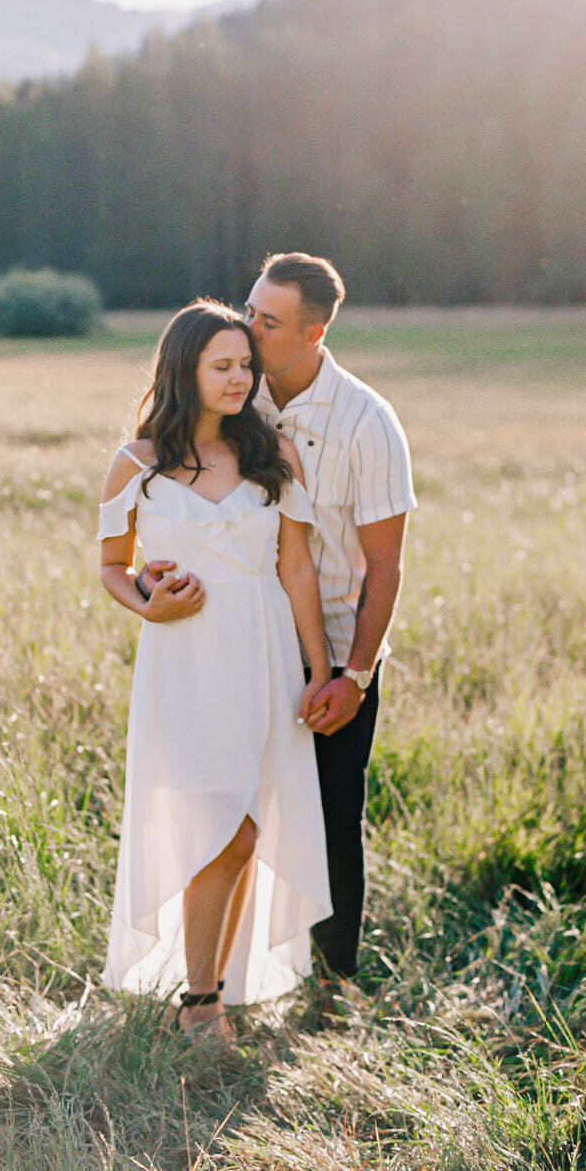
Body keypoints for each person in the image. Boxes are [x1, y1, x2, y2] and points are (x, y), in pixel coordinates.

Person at [142, 253, 416, 993]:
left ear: (313, 332)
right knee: (227, 813)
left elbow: (384, 570)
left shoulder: (368, 421)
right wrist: (147, 579)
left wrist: (352, 676)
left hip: (334, 653)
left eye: (267, 321)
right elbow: (170, 497)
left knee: (326, 823)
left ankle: (330, 988)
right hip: (239, 645)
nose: (248, 327)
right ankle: (216, 981)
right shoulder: (236, 392)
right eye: (250, 308)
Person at [97, 299, 334, 1038]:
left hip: (264, 654)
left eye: (245, 365)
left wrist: (324, 673)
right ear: (185, 370)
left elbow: (295, 568)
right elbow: (112, 568)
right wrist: (150, 605)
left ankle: (209, 996)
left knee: (250, 830)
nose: (239, 378)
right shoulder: (135, 464)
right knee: (220, 830)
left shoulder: (273, 457)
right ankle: (200, 1007)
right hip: (186, 658)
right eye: (222, 366)